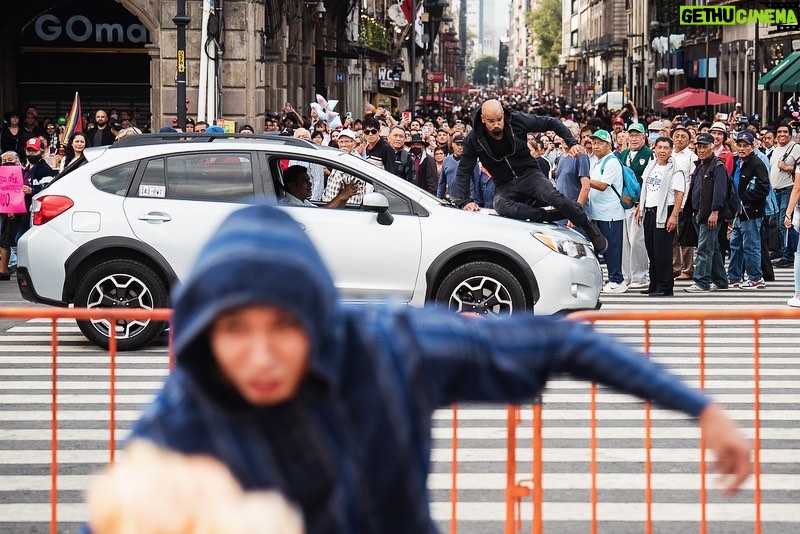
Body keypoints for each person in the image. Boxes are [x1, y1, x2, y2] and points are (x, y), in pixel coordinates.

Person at [126, 203, 751, 533]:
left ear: (319, 315)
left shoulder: (392, 345)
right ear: (206, 334)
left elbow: (564, 344)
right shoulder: (189, 409)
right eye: (235, 330)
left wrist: (699, 407)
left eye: (283, 325)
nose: (260, 356)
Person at [452, 99, 608, 253]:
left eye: (499, 119)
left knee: (552, 195)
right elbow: (464, 170)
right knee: (500, 205)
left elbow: (551, 122)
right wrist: (465, 200)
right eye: (491, 121)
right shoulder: (473, 139)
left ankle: (587, 225)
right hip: (505, 184)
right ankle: (546, 215)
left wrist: (571, 142)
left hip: (529, 174)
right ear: (483, 119)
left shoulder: (516, 120)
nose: (497, 125)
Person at [636, 137, 685, 297]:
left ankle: (665, 287)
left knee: (662, 252)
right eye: (659, 147)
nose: (662, 151)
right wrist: (640, 208)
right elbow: (646, 189)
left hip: (665, 213)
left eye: (666, 148)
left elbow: (679, 194)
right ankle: (654, 284)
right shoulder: (652, 166)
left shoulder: (675, 170)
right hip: (649, 212)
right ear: (654, 149)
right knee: (651, 249)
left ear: (671, 151)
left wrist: (673, 216)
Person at [684, 133, 729, 293]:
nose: (701, 150)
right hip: (698, 213)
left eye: (705, 147)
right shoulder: (700, 165)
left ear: (712, 147)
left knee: (704, 249)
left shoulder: (718, 165)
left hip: (709, 214)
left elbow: (720, 192)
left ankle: (702, 282)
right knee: (713, 248)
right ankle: (721, 281)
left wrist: (715, 212)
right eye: (699, 147)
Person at [727, 131, 770, 289]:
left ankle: (756, 278)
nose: (742, 148)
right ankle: (734, 276)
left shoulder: (757, 163)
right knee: (735, 244)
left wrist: (744, 199)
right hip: (739, 211)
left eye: (746, 145)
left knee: (751, 245)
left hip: (751, 211)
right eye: (739, 145)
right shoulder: (738, 161)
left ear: (753, 147)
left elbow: (763, 188)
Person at [587, 130, 627, 293]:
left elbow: (603, 186)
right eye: (594, 143)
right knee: (602, 248)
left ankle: (617, 280)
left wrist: (584, 180)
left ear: (608, 145)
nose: (595, 146)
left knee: (612, 249)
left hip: (610, 213)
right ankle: (611, 279)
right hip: (598, 212)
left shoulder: (611, 162)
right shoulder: (597, 161)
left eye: (600, 143)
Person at [617, 122, 652, 290]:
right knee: (624, 241)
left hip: (639, 203)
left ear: (644, 137)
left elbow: (647, 181)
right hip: (622, 203)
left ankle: (640, 275)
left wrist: (642, 204)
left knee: (637, 240)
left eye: (637, 135)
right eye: (631, 135)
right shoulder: (623, 154)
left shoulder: (649, 154)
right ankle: (626, 275)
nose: (634, 138)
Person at [769, 122, 800, 268]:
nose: (782, 134)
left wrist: (786, 167)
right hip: (775, 191)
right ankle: (785, 252)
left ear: (790, 134)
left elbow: (798, 168)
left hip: (788, 189)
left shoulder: (795, 147)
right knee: (776, 223)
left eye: (785, 132)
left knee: (785, 222)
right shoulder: (776, 150)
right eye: (779, 132)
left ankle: (789, 255)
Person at [671, 124, 699, 280]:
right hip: (669, 201)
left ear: (689, 140)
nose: (680, 139)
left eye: (683, 137)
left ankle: (688, 269)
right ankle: (675, 267)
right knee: (672, 238)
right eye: (677, 136)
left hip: (684, 203)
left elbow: (693, 181)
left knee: (685, 237)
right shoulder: (669, 154)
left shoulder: (691, 157)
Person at [279, 165, 356, 208]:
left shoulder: (303, 202)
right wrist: (340, 197)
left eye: (308, 180)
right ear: (292, 186)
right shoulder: (290, 205)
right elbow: (320, 215)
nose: (310, 184)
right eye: (305, 181)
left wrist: (344, 198)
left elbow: (321, 211)